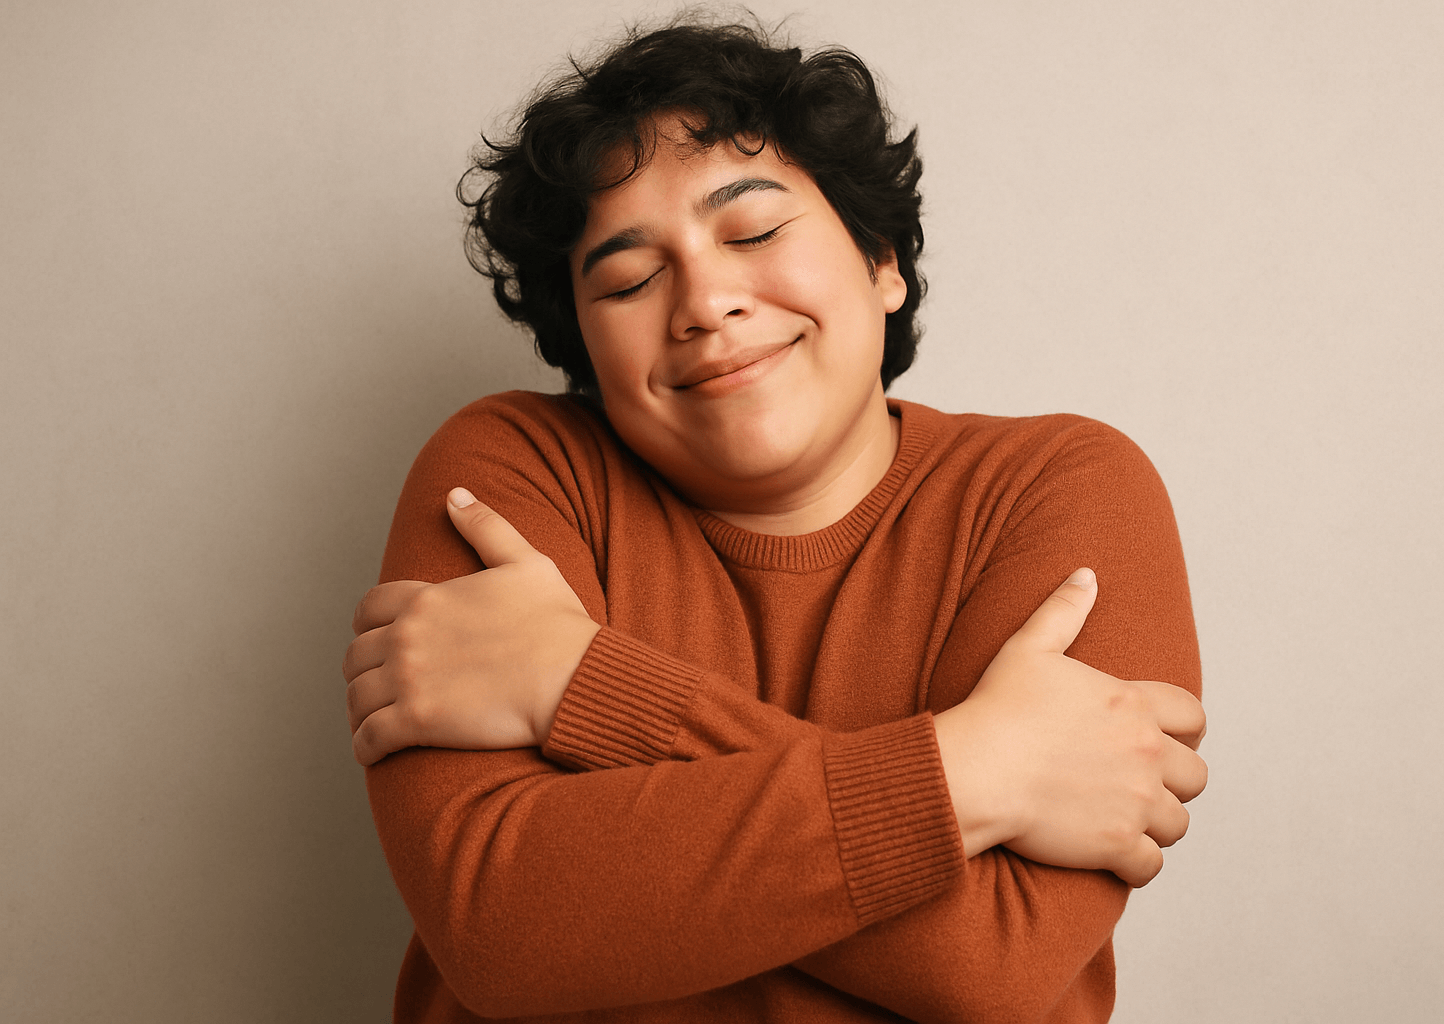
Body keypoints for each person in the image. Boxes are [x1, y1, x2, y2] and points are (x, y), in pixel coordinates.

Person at [342, 17, 1207, 1023]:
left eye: (751, 232)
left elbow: (993, 967)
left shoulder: (1057, 485)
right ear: (581, 340)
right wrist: (977, 768)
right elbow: (502, 927)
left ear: (882, 260)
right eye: (628, 278)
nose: (705, 300)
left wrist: (584, 684)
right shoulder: (508, 472)